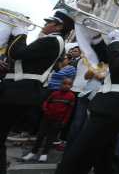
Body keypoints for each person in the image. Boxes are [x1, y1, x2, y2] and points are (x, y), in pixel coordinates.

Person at [55, 30, 119, 174]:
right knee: (104, 156)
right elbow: (105, 57)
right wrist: (96, 38)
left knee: (79, 154)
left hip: (115, 105)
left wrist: (115, 41)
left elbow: (117, 65)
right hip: (107, 102)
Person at [0, 10, 73, 174]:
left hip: (20, 92)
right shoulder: (48, 41)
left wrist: (21, 33)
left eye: (49, 22)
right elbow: (21, 60)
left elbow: (16, 52)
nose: (45, 24)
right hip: (17, 89)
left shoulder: (52, 41)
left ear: (59, 26)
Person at [22, 78, 75, 162]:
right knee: (40, 135)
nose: (66, 86)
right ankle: (33, 152)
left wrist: (64, 121)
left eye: (69, 84)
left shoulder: (71, 96)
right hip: (46, 118)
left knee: (50, 138)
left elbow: (69, 111)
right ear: (61, 84)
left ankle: (44, 154)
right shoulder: (55, 93)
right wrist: (46, 110)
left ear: (71, 86)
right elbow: (46, 102)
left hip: (58, 121)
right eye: (64, 83)